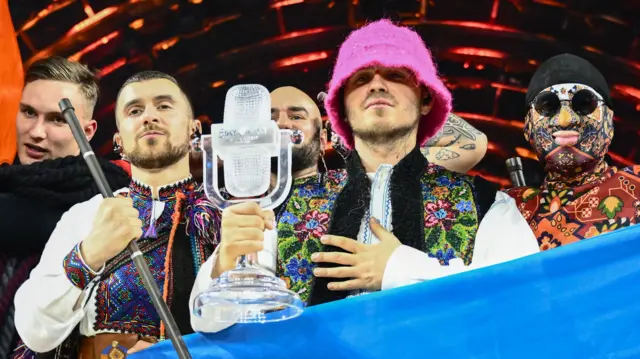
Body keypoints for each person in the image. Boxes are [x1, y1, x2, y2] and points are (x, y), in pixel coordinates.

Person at [191, 20, 538, 327]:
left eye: (396, 74)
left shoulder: (488, 203)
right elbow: (209, 322)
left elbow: (524, 303)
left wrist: (398, 269)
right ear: (341, 104)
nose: (376, 85)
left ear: (427, 99)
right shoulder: (282, 206)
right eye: (360, 78)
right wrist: (224, 263)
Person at [13, 71, 219, 358]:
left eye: (164, 106)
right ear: (119, 139)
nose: (149, 116)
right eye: (135, 110)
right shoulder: (83, 215)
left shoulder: (225, 217)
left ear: (193, 128)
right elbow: (35, 331)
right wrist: (87, 256)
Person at [0, 56, 131, 358]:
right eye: (28, 112)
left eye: (57, 119)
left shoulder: (111, 201)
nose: (36, 131)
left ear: (88, 131)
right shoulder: (6, 189)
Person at [505, 53, 640, 250]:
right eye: (548, 106)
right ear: (527, 127)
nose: (565, 119)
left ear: (609, 121)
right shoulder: (511, 207)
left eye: (584, 104)